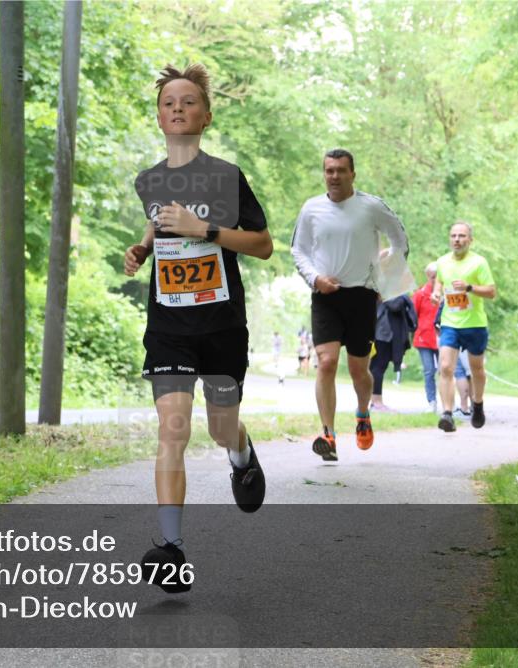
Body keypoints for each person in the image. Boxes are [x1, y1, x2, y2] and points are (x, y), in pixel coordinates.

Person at [123, 64, 273, 592]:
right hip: (169, 325)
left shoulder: (227, 177)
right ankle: (172, 549)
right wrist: (144, 248)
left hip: (221, 324)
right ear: (159, 116)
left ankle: (241, 454)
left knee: (220, 427)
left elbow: (262, 245)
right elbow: (157, 219)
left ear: (206, 116)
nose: (178, 109)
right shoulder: (149, 180)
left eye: (189, 102)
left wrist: (204, 228)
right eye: (169, 103)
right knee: (173, 429)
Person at [291, 148, 410, 461]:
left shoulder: (371, 207)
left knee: (359, 370)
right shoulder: (311, 208)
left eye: (341, 170)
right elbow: (299, 250)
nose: (334, 176)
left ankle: (362, 414)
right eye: (329, 170)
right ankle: (328, 435)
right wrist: (315, 279)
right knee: (326, 362)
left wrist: (386, 281)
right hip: (325, 296)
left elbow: (400, 241)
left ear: (352, 174)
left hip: (362, 297)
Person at [431, 221, 496, 432]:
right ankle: (447, 414)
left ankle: (478, 404)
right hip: (450, 323)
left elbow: (491, 292)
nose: (457, 240)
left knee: (476, 369)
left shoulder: (479, 262)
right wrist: (436, 293)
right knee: (445, 367)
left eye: (461, 236)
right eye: (453, 236)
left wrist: (469, 288)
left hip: (475, 324)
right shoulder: (442, 261)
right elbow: (439, 281)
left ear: (470, 240)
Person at [369, 293, 417, 412]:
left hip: (383, 332)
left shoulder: (384, 290)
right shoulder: (385, 289)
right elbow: (396, 305)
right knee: (378, 367)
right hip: (382, 333)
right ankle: (376, 402)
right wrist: (402, 297)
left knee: (377, 367)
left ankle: (373, 401)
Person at [413, 263, 440, 414]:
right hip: (424, 338)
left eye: (438, 276)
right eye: (432, 277)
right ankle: (432, 402)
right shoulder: (420, 294)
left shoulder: (445, 293)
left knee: (445, 371)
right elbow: (413, 315)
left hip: (442, 337)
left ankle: (448, 403)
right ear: (428, 276)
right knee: (429, 371)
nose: (435, 279)